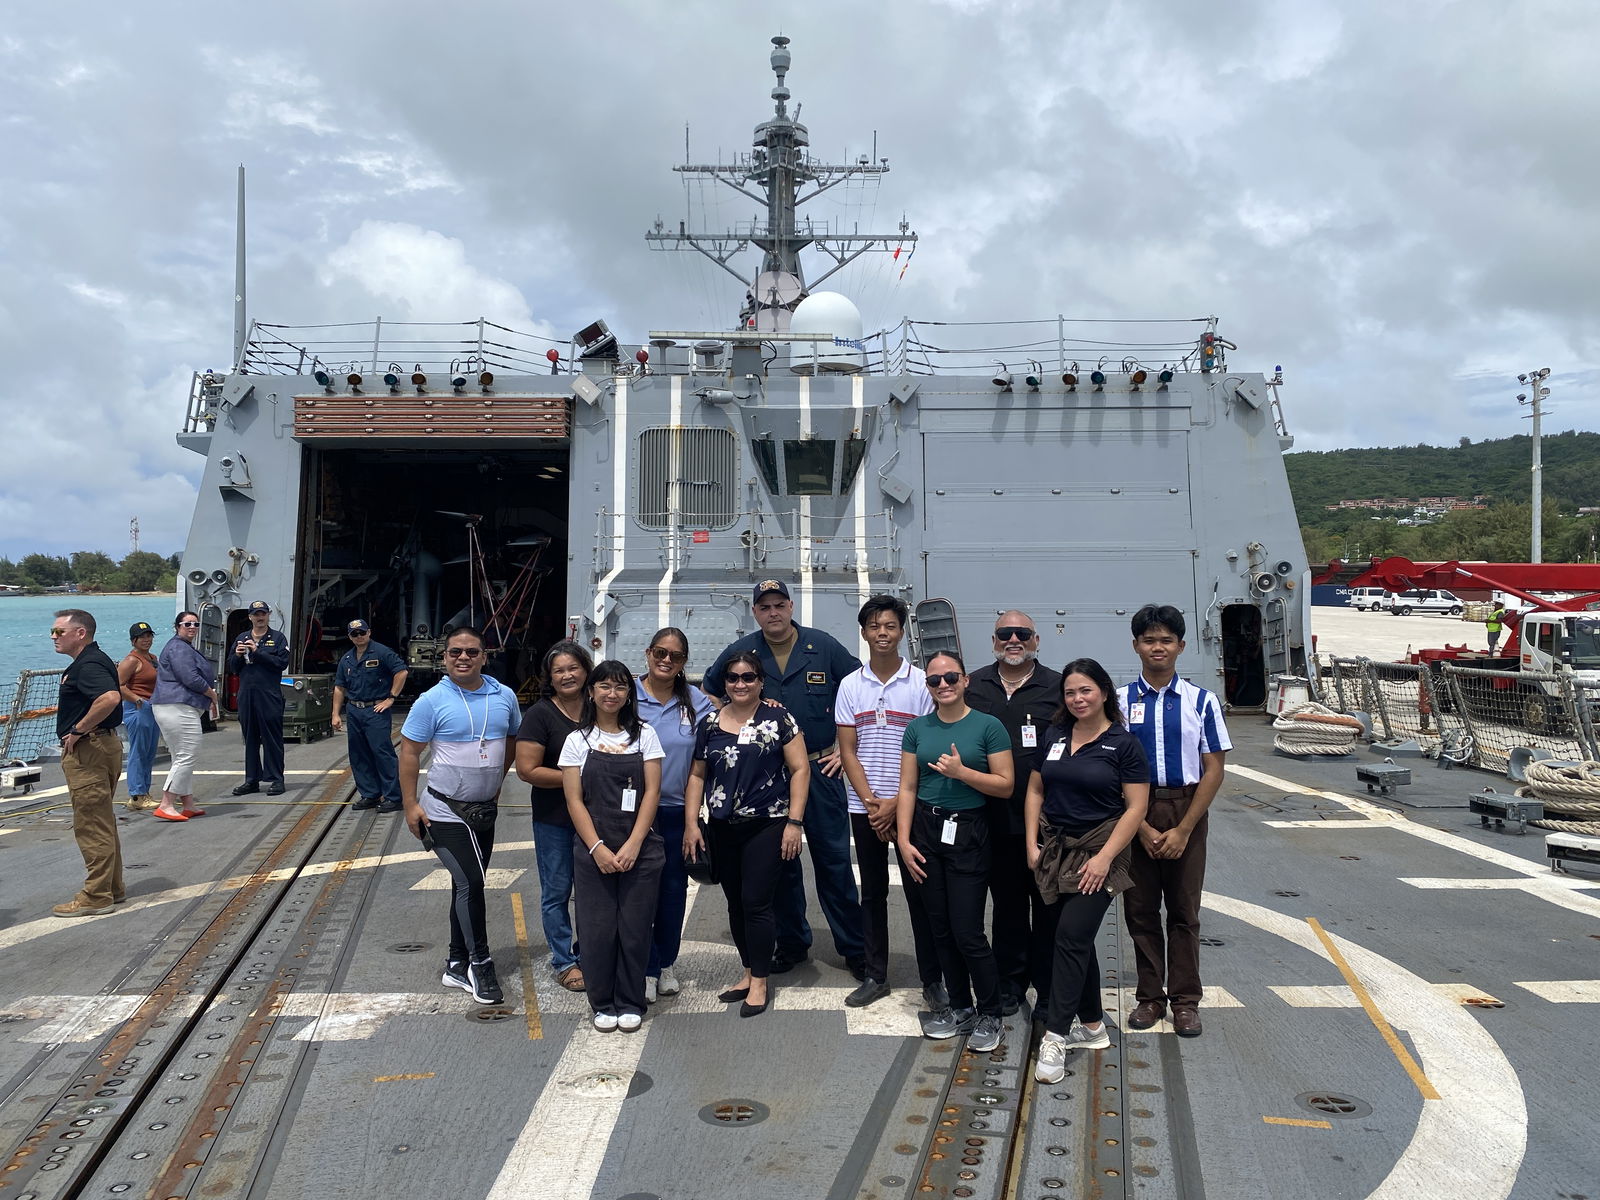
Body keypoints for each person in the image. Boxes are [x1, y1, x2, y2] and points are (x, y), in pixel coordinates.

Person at [703, 580, 866, 979]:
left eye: (779, 605)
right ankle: (792, 943)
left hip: (821, 770)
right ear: (755, 612)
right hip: (769, 783)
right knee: (781, 868)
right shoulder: (745, 653)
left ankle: (856, 949)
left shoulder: (822, 646)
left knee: (834, 864)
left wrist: (849, 752)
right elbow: (709, 689)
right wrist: (741, 709)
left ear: (790, 606)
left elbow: (860, 692)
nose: (773, 612)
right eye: (764, 607)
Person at [1027, 658, 1150, 1084]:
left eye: (1086, 690)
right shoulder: (1056, 734)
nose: (1078, 699)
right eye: (1070, 692)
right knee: (1072, 939)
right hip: (1057, 849)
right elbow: (1036, 788)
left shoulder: (1123, 744)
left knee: (1070, 936)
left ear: (1103, 692)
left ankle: (1057, 1036)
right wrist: (1031, 842)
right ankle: (1094, 1027)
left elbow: (1136, 808)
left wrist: (1103, 860)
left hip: (1102, 850)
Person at [1120, 604, 1230, 1039]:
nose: (1157, 647)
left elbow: (1214, 768)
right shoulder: (1121, 703)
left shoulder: (1201, 702)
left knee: (1184, 912)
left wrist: (1184, 828)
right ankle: (1150, 997)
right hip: (1136, 811)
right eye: (1149, 640)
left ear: (1181, 646)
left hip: (1186, 807)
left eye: (1166, 640)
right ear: (1136, 646)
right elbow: (1113, 767)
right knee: (1140, 909)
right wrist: (1141, 826)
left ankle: (1185, 1001)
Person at [896, 652, 1014, 1053]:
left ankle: (991, 1011)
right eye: (934, 681)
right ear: (926, 687)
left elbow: (1005, 784)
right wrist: (905, 839)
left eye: (950, 678)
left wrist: (962, 773)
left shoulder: (988, 727)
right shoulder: (917, 729)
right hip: (927, 831)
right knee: (940, 927)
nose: (942, 685)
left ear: (965, 681)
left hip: (969, 831)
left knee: (967, 930)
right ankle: (960, 1007)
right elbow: (908, 787)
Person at [400, 626, 522, 1007]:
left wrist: (496, 784)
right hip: (443, 810)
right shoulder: (431, 701)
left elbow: (512, 741)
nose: (463, 658)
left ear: (484, 656)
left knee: (463, 885)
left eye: (471, 652)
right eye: (455, 652)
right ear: (445, 657)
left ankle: (455, 961)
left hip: (484, 810)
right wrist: (410, 805)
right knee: (472, 882)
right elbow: (408, 753)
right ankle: (480, 964)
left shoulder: (504, 697)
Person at [684, 650, 810, 1018]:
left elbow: (800, 769)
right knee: (735, 903)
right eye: (734, 678)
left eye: (748, 677)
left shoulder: (778, 718)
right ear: (724, 683)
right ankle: (747, 971)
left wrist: (794, 822)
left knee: (756, 903)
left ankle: (760, 980)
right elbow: (696, 775)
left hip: (767, 824)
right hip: (723, 826)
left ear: (760, 681)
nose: (741, 684)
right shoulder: (709, 723)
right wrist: (692, 823)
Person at [834, 595, 944, 1009]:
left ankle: (932, 978)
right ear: (864, 633)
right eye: (874, 627)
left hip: (910, 805)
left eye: (890, 626)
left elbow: (926, 749)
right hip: (866, 806)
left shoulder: (920, 683)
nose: (882, 633)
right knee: (873, 893)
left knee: (921, 892)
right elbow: (848, 750)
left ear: (901, 632)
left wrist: (896, 803)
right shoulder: (850, 685)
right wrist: (871, 801)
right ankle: (875, 974)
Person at [964, 612, 1064, 1014]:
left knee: (1047, 907)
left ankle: (1048, 986)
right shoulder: (975, 685)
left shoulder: (1056, 687)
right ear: (994, 640)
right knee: (1006, 908)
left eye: (1022, 634)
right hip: (991, 818)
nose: (1014, 640)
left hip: (1045, 821)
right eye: (1005, 634)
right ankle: (1010, 984)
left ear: (1036, 640)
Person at [560, 660, 666, 1032]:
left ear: (628, 694)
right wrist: (597, 848)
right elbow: (575, 800)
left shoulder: (645, 736)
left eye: (620, 687)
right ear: (591, 691)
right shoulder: (578, 740)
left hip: (640, 847)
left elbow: (652, 791)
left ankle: (630, 999)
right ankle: (602, 1001)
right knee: (597, 929)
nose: (611, 694)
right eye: (604, 686)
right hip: (594, 849)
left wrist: (635, 843)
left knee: (635, 928)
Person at [635, 628, 715, 1004]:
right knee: (638, 894)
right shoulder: (628, 696)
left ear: (684, 662)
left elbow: (722, 730)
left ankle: (665, 963)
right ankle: (646, 967)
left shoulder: (695, 702)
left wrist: (692, 821)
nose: (666, 661)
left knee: (672, 893)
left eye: (676, 656)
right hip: (632, 813)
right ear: (648, 653)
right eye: (660, 653)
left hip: (675, 813)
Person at [515, 640, 593, 993]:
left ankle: (591, 953)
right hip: (555, 820)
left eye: (573, 668)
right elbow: (527, 770)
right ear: (549, 677)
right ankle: (564, 960)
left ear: (586, 670)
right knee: (557, 891)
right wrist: (576, 779)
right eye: (559, 670)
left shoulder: (601, 707)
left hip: (599, 819)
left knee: (595, 893)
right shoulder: (540, 715)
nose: (567, 675)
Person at [49, 609, 126, 916]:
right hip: (103, 745)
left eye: (59, 632)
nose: (53, 637)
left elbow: (109, 698)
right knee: (103, 821)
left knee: (91, 824)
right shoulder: (96, 659)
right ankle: (113, 888)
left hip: (89, 751)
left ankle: (96, 896)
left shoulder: (88, 664)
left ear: (80, 633)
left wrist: (78, 730)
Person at [331, 618, 408, 813]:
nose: (359, 637)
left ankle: (393, 797)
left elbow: (401, 672)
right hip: (354, 710)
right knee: (358, 754)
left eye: (362, 633)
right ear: (349, 636)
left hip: (375, 711)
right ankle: (370, 794)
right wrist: (335, 714)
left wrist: (391, 698)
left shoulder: (382, 652)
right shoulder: (347, 659)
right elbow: (340, 687)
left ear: (369, 632)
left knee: (382, 753)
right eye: (354, 634)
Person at [150, 611, 220, 821]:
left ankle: (188, 803)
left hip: (174, 707)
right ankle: (167, 803)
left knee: (180, 756)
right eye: (187, 623)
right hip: (177, 707)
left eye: (195, 624)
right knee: (187, 754)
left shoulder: (182, 646)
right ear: (177, 626)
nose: (192, 627)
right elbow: (189, 677)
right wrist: (211, 693)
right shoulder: (179, 648)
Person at [229, 600, 290, 796]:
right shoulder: (241, 638)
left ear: (268, 615)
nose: (260, 617)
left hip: (268, 694)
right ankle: (252, 780)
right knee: (250, 738)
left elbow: (281, 663)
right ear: (250, 617)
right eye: (256, 614)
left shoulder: (278, 638)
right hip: (247, 695)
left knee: (272, 738)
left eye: (263, 613)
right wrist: (238, 655)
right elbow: (232, 667)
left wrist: (258, 652)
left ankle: (276, 779)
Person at [117, 621, 161, 811]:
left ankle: (145, 792)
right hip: (138, 709)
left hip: (153, 708)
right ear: (133, 640)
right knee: (138, 752)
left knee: (149, 752)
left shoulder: (152, 658)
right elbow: (118, 686)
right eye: (142, 636)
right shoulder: (131, 661)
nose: (146, 639)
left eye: (149, 635)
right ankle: (136, 794)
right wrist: (138, 701)